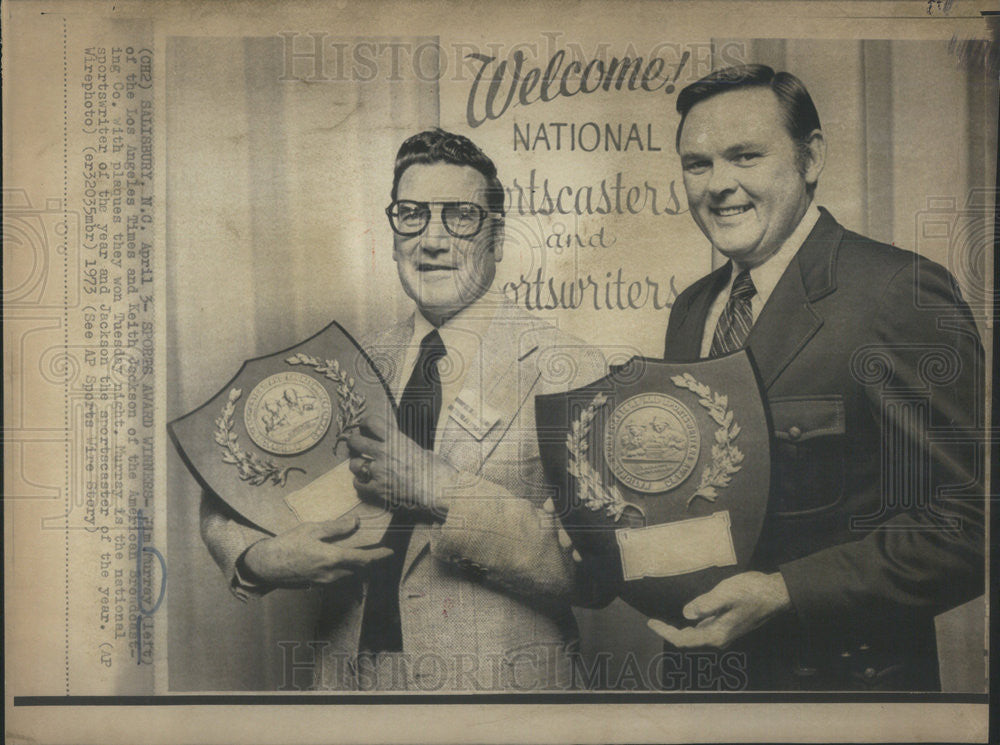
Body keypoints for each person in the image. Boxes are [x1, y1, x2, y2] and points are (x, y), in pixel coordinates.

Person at [200, 128, 605, 691]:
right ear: (392, 236)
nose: (431, 240)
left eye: (460, 216)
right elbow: (232, 483)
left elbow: (593, 571)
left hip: (499, 704)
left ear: (498, 237)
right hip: (347, 693)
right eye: (411, 215)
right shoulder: (348, 363)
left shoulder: (569, 367)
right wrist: (257, 560)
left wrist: (441, 489)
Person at [648, 65, 984, 690]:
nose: (719, 185)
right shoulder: (693, 308)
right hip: (702, 688)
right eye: (697, 164)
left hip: (843, 694)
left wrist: (784, 593)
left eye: (745, 155)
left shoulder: (898, 292)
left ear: (811, 157)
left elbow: (968, 528)